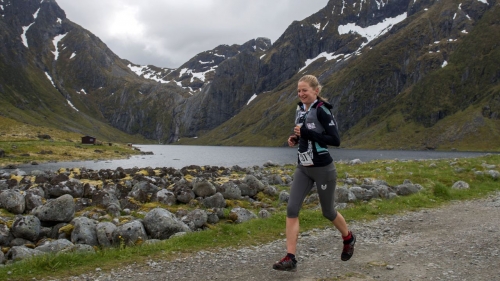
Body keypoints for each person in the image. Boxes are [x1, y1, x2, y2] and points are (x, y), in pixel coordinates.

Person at [272, 75, 356, 272]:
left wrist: (307, 135)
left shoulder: (323, 110)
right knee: (292, 210)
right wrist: (294, 138)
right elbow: (303, 134)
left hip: (323, 169)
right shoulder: (300, 110)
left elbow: (335, 140)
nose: (301, 94)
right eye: (299, 91)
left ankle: (348, 238)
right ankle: (290, 257)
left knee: (328, 212)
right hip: (303, 167)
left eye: (305, 90)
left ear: (316, 91)